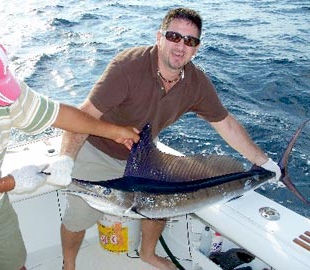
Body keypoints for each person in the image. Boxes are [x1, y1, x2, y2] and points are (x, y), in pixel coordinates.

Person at [59, 7, 281, 270]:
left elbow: (228, 125)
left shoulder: (196, 83)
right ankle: (69, 265)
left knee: (164, 201)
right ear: (159, 37)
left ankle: (148, 253)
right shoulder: (128, 66)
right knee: (79, 217)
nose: (181, 46)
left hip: (141, 155)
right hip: (98, 147)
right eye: (174, 36)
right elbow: (82, 116)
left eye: (190, 41)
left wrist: (264, 162)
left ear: (196, 48)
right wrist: (65, 161)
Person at [0, 30, 139, 270]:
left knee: (16, 265)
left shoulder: (0, 95)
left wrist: (114, 132)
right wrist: (11, 183)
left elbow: (61, 115)